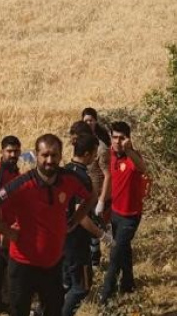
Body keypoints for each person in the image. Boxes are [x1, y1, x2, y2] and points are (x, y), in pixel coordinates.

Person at [0, 134, 95, 316]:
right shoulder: (21, 184)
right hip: (23, 266)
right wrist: (8, 232)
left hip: (53, 265)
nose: (50, 160)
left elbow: (90, 197)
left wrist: (74, 221)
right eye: (45, 155)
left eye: (54, 155)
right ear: (36, 155)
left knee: (54, 310)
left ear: (61, 156)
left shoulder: (70, 179)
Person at [62, 133, 113, 316]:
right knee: (81, 288)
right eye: (94, 153)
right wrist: (102, 235)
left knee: (66, 283)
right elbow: (81, 216)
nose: (95, 157)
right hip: (76, 242)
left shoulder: (65, 170)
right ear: (88, 153)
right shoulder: (81, 178)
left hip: (63, 240)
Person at [99, 121, 149, 305]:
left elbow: (142, 168)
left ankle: (106, 297)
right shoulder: (111, 154)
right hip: (115, 213)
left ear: (128, 139)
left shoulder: (133, 158)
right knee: (124, 250)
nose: (118, 142)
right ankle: (128, 284)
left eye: (122, 138)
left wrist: (129, 150)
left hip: (130, 216)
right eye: (115, 137)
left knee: (115, 255)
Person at [0, 135, 22, 314]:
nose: (13, 154)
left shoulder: (12, 168)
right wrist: (2, 232)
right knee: (14, 269)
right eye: (9, 151)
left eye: (16, 151)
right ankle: (15, 305)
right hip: (0, 230)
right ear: (1, 152)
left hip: (6, 228)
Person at [78, 110, 113, 262]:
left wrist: (101, 200)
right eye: (86, 121)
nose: (89, 123)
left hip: (97, 194)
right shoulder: (79, 145)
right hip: (84, 193)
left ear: (96, 121)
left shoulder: (101, 148)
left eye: (91, 120)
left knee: (98, 229)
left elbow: (108, 175)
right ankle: (94, 260)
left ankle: (104, 259)